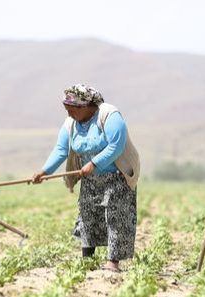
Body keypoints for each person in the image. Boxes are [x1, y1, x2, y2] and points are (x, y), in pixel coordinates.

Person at [32, 84, 140, 272]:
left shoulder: (109, 115)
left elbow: (116, 146)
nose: (69, 114)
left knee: (116, 217)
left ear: (85, 106)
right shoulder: (70, 124)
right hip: (90, 179)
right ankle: (87, 259)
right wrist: (44, 172)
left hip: (117, 177)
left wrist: (94, 163)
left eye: (72, 110)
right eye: (67, 110)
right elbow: (61, 150)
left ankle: (113, 262)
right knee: (87, 216)